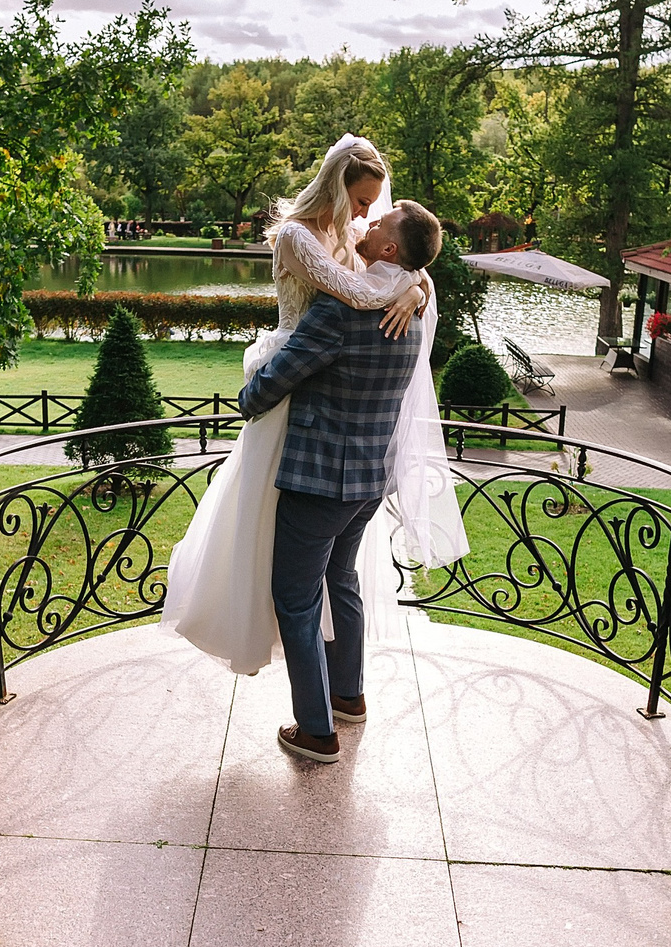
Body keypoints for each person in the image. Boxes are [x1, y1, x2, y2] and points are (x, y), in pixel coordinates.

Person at [157, 138, 468, 761]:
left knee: (295, 599)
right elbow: (414, 265)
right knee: (341, 581)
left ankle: (317, 730)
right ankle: (349, 697)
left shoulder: (341, 311)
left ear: (386, 247)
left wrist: (249, 389)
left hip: (319, 479)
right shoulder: (410, 314)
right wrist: (417, 287)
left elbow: (269, 388)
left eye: (377, 218)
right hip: (369, 484)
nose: (364, 220)